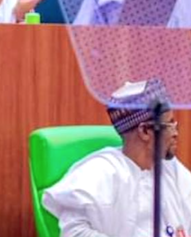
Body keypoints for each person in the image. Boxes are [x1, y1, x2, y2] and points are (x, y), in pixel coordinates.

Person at [43, 79, 191, 236]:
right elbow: (74, 232)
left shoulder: (171, 168)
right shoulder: (100, 172)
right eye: (169, 126)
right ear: (145, 132)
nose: (175, 134)